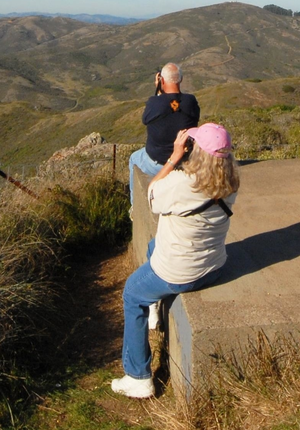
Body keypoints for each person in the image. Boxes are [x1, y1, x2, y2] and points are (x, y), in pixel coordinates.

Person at [111, 123, 239, 399]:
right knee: (153, 245)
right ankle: (155, 307)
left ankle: (138, 377)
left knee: (132, 295)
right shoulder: (231, 184)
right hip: (214, 266)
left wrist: (173, 158)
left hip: (178, 273)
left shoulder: (182, 184)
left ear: (197, 153)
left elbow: (152, 195)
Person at [128, 63, 200, 202]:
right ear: (181, 79)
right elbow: (175, 107)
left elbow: (146, 119)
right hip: (184, 162)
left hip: (158, 163)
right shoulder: (191, 101)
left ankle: (134, 205)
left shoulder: (154, 103)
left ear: (161, 80)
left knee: (134, 158)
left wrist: (158, 91)